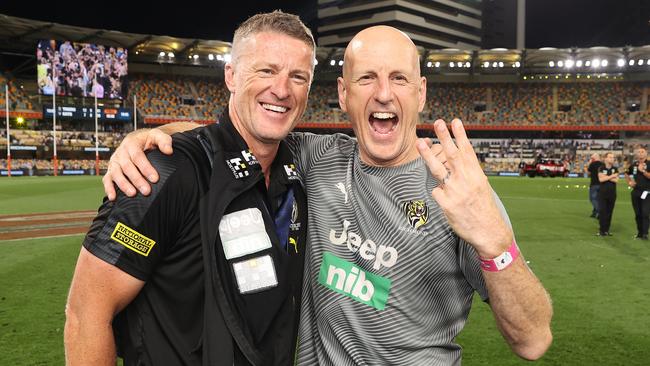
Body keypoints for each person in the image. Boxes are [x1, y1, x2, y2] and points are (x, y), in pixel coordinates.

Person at [104, 25, 553, 364]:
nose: (382, 93)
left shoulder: (457, 188)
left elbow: (533, 340)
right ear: (342, 94)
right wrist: (151, 135)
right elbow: (239, 131)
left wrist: (495, 242)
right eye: (366, 79)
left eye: (399, 79)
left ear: (420, 93)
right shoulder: (315, 158)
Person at [64, 11, 314, 366]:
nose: (282, 89)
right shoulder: (163, 170)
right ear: (231, 75)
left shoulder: (300, 168)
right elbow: (85, 314)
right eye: (266, 70)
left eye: (298, 76)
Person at [625, 146, 650, 240]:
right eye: (639, 152)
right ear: (637, 154)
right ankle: (640, 233)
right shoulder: (634, 164)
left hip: (647, 192)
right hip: (636, 192)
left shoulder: (649, 164)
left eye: (642, 152)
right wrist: (630, 182)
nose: (640, 153)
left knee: (645, 213)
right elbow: (626, 173)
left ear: (646, 154)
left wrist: (643, 171)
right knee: (638, 214)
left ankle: (645, 233)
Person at [596, 152, 618, 236]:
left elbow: (616, 180)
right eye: (610, 157)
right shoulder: (601, 168)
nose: (612, 159)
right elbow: (601, 180)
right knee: (602, 212)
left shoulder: (615, 169)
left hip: (612, 194)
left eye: (613, 157)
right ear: (605, 158)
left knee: (609, 212)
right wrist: (612, 176)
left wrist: (606, 177)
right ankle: (601, 230)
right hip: (602, 194)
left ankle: (606, 230)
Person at [585, 153, 603, 218]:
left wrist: (588, 165)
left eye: (592, 158)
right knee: (598, 199)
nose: (591, 159)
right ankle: (594, 213)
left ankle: (600, 212)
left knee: (592, 199)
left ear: (594, 158)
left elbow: (588, 173)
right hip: (602, 184)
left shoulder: (592, 164)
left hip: (594, 184)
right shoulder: (602, 164)